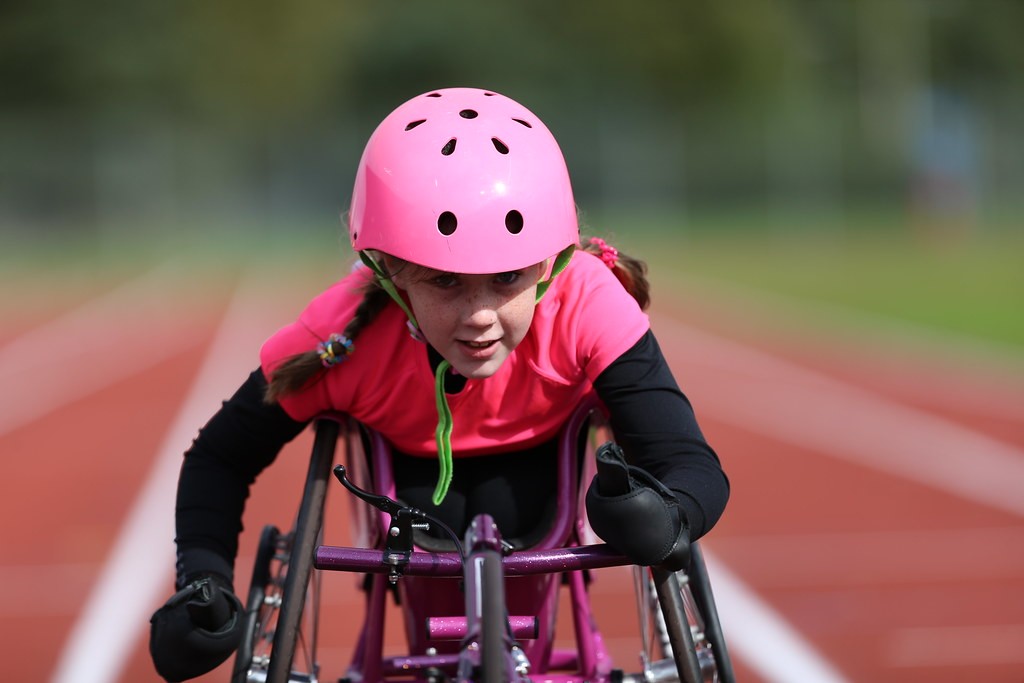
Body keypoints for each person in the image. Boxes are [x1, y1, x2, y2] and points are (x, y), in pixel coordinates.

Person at [149, 87, 730, 682]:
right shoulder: (340, 339)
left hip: (542, 486)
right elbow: (218, 457)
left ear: (549, 264)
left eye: (507, 277)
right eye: (446, 281)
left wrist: (669, 515)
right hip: (412, 499)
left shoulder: (586, 304)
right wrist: (203, 580)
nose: (480, 316)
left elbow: (689, 462)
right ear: (391, 272)